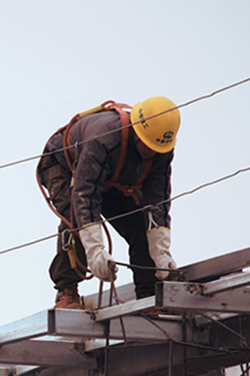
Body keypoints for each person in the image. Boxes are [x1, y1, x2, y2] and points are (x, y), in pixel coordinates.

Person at [36, 96, 181, 309]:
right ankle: (67, 292)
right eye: (147, 147)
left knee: (140, 227)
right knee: (74, 217)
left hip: (110, 178)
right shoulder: (104, 138)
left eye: (156, 150)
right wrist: (95, 251)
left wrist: (161, 253)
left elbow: (156, 202)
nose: (151, 153)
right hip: (63, 166)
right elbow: (85, 197)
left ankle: (149, 296)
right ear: (137, 134)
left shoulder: (161, 149)